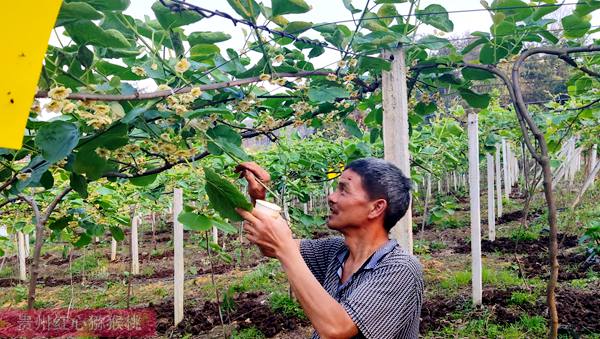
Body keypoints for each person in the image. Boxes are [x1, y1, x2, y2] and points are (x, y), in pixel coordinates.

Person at [235, 157, 423, 339]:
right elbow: (272, 247)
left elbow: (337, 328)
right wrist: (259, 198)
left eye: (344, 190)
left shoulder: (401, 268)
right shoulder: (335, 252)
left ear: (376, 208)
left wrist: (284, 247)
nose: (331, 197)